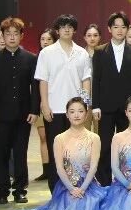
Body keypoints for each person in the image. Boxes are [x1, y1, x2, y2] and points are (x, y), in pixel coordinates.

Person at [8, 97, 104, 210]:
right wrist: (72, 189)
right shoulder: (60, 138)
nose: (76, 115)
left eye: (80, 111)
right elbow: (59, 168)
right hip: (67, 187)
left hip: (88, 186)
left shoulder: (94, 138)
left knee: (90, 209)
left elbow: (93, 167)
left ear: (86, 113)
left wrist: (82, 189)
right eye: (72, 112)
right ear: (67, 115)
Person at [0, 17, 39, 204]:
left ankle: (20, 190)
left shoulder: (30, 59)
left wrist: (34, 110)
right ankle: (1, 190)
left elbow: (35, 87)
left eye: (16, 34)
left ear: (22, 36)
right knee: (2, 153)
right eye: (8, 34)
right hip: (0, 115)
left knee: (21, 153)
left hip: (24, 115)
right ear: (3, 36)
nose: (12, 37)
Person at [35, 14, 93, 188]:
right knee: (56, 152)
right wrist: (45, 105)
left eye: (70, 27)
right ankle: (56, 190)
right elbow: (43, 81)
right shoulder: (46, 53)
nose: (66, 30)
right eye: (62, 27)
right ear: (57, 30)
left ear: (74, 30)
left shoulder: (82, 53)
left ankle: (75, 188)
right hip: (54, 109)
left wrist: (84, 105)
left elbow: (86, 80)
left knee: (76, 152)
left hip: (75, 112)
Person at [33, 27, 57, 181]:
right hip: (41, 103)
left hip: (57, 102)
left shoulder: (58, 58)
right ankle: (46, 169)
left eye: (49, 39)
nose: (45, 42)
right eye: (42, 39)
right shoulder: (36, 59)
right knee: (43, 137)